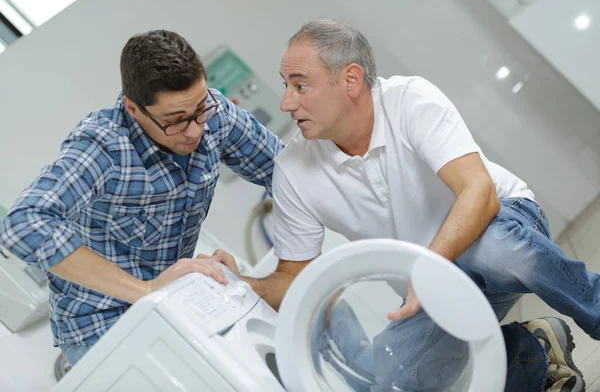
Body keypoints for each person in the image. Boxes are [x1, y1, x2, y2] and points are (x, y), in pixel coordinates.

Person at [204, 20, 594, 391]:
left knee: (497, 252)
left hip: (501, 226)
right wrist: (240, 284)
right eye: (285, 86)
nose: (287, 102)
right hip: (433, 287)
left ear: (351, 80)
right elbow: (294, 278)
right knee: (394, 376)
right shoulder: (293, 170)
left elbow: (479, 193)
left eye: (300, 86)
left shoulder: (408, 100)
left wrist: (426, 269)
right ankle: (535, 352)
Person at [0, 30, 283, 367]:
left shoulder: (213, 114)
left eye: (200, 108)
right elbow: (24, 224)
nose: (194, 130)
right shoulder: (104, 146)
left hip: (176, 301)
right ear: (133, 108)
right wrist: (147, 291)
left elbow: (289, 177)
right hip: (100, 322)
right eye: (175, 121)